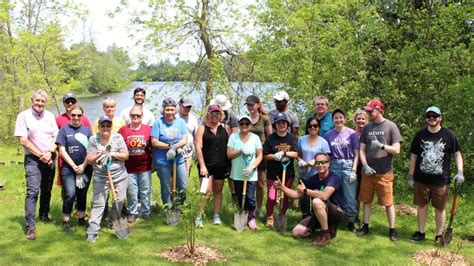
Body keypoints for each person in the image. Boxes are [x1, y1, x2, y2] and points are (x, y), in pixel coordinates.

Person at [408, 106, 464, 242]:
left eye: (435, 116)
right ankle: (420, 232)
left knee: (440, 208)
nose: (431, 118)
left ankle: (439, 235)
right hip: (421, 179)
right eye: (429, 116)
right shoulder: (420, 135)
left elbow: (457, 154)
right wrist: (410, 175)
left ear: (440, 118)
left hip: (441, 181)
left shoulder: (449, 135)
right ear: (426, 118)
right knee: (422, 205)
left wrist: (460, 172)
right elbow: (414, 156)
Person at [275, 152, 347, 247]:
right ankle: (327, 228)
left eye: (323, 162)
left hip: (337, 212)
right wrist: (282, 187)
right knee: (296, 232)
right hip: (320, 212)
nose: (320, 165)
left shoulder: (334, 178)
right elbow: (296, 194)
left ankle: (325, 235)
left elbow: (324, 196)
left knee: (316, 201)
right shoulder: (313, 179)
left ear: (328, 164)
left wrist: (305, 190)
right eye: (317, 163)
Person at [14, 90, 59, 240]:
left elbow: (56, 136)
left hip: (50, 157)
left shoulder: (50, 116)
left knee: (46, 190)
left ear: (46, 102)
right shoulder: (23, 116)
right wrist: (41, 155)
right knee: (32, 192)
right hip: (33, 159)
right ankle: (30, 227)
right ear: (32, 100)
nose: (40, 103)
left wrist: (50, 152)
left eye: (42, 101)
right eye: (37, 100)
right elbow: (23, 140)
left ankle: (44, 216)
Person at [357, 99, 402, 241]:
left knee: (388, 202)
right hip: (368, 172)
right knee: (366, 200)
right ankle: (365, 225)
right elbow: (362, 150)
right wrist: (365, 165)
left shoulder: (391, 126)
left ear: (380, 110)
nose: (368, 113)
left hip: (385, 172)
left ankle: (392, 229)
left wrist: (382, 146)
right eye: (368, 111)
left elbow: (397, 150)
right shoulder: (367, 127)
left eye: (371, 111)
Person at [86, 116, 129, 242]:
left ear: (111, 127)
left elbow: (126, 155)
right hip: (101, 176)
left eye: (108, 126)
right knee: (98, 203)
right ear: (98, 127)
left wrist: (112, 154)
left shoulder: (117, 138)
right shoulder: (94, 139)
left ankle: (113, 221)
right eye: (103, 126)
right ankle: (93, 230)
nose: (105, 128)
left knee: (119, 200)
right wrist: (99, 155)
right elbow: (89, 159)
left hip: (119, 175)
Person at [55, 105, 93, 232]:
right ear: (70, 115)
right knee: (70, 194)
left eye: (79, 115)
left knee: (82, 194)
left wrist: (83, 165)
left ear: (82, 116)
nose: (76, 117)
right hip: (68, 169)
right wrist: (74, 166)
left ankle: (82, 219)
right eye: (73, 115)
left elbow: (92, 150)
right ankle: (66, 220)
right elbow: (61, 150)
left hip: (86, 168)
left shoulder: (87, 131)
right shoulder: (64, 130)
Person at [323, 109, 360, 232]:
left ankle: (350, 221)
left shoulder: (352, 133)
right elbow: (327, 154)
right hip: (334, 165)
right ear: (332, 120)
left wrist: (354, 170)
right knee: (333, 194)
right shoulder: (328, 135)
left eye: (340, 117)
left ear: (344, 119)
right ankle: (333, 219)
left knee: (350, 195)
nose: (338, 120)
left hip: (348, 165)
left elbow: (356, 153)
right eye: (336, 118)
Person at [194, 104, 231, 228]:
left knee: (218, 191)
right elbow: (198, 148)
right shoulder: (202, 128)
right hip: (206, 166)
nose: (215, 115)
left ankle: (216, 215)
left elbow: (230, 145)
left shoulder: (225, 127)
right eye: (212, 113)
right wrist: (202, 166)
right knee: (205, 191)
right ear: (208, 114)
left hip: (221, 165)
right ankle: (198, 216)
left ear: (220, 115)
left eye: (217, 113)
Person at [227, 115, 263, 230]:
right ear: (238, 125)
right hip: (237, 173)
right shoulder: (233, 137)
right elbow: (229, 155)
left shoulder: (255, 138)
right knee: (239, 196)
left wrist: (252, 167)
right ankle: (243, 215)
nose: (244, 126)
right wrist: (240, 151)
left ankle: (251, 217)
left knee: (250, 198)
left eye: (247, 124)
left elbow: (260, 155)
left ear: (250, 125)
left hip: (250, 174)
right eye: (241, 123)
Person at [263, 112, 298, 228]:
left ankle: (282, 215)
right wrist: (273, 156)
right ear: (275, 125)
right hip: (273, 174)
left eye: (283, 122)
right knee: (272, 197)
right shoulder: (270, 138)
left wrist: (284, 153)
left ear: (287, 124)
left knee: (285, 196)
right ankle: (270, 216)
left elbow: (296, 153)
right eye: (278, 123)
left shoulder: (292, 138)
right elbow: (265, 155)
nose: (281, 125)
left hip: (288, 173)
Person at [151, 97, 188, 206]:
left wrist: (174, 148)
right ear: (163, 110)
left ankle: (181, 207)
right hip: (163, 160)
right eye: (167, 109)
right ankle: (168, 207)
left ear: (175, 110)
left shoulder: (180, 122)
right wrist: (169, 147)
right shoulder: (158, 122)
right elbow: (154, 142)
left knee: (183, 185)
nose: (170, 112)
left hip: (178, 158)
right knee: (166, 186)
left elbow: (185, 139)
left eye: (172, 109)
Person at [118, 106, 152, 222]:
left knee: (145, 191)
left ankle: (146, 211)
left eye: (138, 115)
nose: (135, 117)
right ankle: (132, 212)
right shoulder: (123, 130)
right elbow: (118, 146)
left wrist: (153, 164)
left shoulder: (148, 129)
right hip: (128, 167)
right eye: (133, 115)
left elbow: (153, 147)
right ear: (130, 116)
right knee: (131, 192)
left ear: (142, 116)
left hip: (145, 166)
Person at [297, 118, 330, 219]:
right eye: (310, 125)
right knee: (303, 196)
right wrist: (300, 160)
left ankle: (316, 218)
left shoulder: (323, 142)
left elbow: (327, 158)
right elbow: (298, 154)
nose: (312, 127)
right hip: (304, 173)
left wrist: (315, 161)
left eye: (315, 125)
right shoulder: (301, 140)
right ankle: (305, 217)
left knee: (316, 197)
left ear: (319, 127)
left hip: (317, 174)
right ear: (307, 127)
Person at [245, 95, 272, 219]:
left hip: (261, 155)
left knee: (260, 183)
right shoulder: (245, 119)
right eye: (248, 105)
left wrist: (267, 153)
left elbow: (270, 137)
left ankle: (259, 208)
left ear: (258, 105)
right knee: (249, 182)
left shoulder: (265, 119)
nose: (250, 107)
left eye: (252, 104)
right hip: (247, 155)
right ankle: (248, 207)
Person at [177, 96, 199, 178]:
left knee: (185, 177)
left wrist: (197, 153)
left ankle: (183, 191)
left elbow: (196, 137)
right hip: (176, 152)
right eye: (185, 107)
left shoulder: (193, 119)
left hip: (188, 153)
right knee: (174, 177)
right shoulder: (175, 117)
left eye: (189, 107)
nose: (187, 109)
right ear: (180, 105)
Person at [353, 109, 368, 223]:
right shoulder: (351, 134)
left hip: (366, 166)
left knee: (364, 193)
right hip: (354, 166)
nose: (361, 121)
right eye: (359, 119)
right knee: (354, 192)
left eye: (363, 119)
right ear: (355, 121)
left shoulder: (369, 133)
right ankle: (355, 216)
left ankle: (365, 218)